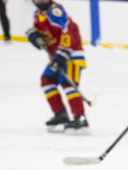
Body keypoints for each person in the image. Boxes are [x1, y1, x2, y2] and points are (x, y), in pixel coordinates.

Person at [25, 0, 87, 133]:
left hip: (71, 56)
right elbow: (40, 34)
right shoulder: (37, 14)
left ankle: (80, 118)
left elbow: (68, 31)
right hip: (56, 58)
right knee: (47, 81)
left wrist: (61, 55)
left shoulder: (56, 11)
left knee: (68, 84)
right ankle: (61, 115)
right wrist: (34, 36)